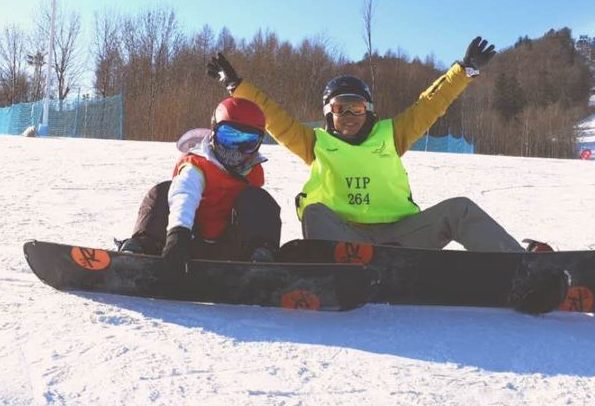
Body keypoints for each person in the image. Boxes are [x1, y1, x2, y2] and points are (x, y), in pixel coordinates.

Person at [206, 42, 568, 312]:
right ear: (327, 114)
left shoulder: (391, 135)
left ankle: (522, 268)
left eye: (357, 107)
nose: (348, 114)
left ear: (369, 112)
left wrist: (464, 71)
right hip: (343, 242)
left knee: (459, 209)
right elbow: (273, 116)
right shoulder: (313, 142)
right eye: (339, 108)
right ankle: (338, 273)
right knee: (314, 209)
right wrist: (236, 86)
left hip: (401, 237)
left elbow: (430, 104)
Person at [118, 97, 282, 270]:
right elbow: (184, 194)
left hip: (232, 248)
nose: (236, 149)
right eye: (229, 137)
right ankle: (143, 246)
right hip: (185, 244)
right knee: (163, 191)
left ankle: (260, 257)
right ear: (213, 131)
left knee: (258, 199)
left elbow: (254, 217)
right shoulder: (198, 165)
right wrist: (178, 233)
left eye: (247, 142)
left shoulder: (253, 172)